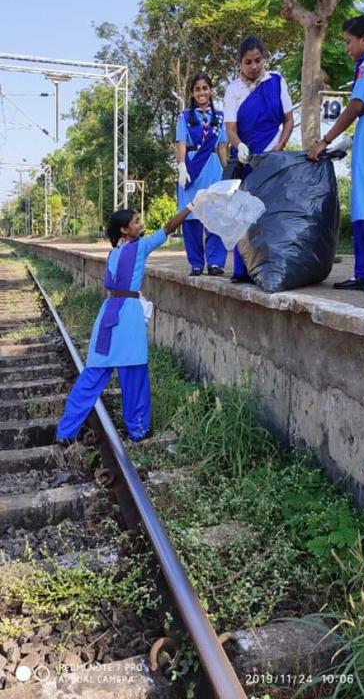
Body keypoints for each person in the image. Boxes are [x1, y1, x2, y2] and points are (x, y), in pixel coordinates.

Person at [56, 203, 194, 443]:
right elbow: (168, 228)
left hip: (108, 313)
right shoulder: (140, 247)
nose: (141, 224)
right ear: (124, 230)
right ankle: (137, 430)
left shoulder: (114, 254)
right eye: (136, 221)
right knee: (134, 375)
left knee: (92, 375)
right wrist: (190, 207)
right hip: (128, 315)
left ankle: (66, 431)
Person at [224, 36, 294, 282]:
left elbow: (288, 120)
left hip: (273, 159)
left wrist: (280, 145)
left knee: (270, 214)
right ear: (240, 63)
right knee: (244, 214)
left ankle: (271, 268)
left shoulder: (276, 81)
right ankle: (243, 269)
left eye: (257, 61)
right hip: (247, 161)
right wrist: (240, 146)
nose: (253, 66)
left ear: (264, 59)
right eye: (248, 62)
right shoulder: (233, 90)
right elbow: (231, 129)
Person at [307, 15, 364, 293]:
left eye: (348, 42)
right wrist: (350, 140)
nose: (346, 49)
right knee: (362, 203)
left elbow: (355, 106)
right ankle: (363, 273)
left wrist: (325, 140)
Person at [176, 72, 228, 276]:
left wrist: (227, 173)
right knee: (191, 217)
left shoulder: (219, 117)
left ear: (211, 90)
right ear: (192, 93)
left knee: (215, 215)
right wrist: (181, 166)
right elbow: (181, 143)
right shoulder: (185, 116)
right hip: (191, 169)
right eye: (197, 89)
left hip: (213, 169)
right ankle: (196, 263)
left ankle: (215, 262)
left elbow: (222, 147)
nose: (201, 92)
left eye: (205, 88)